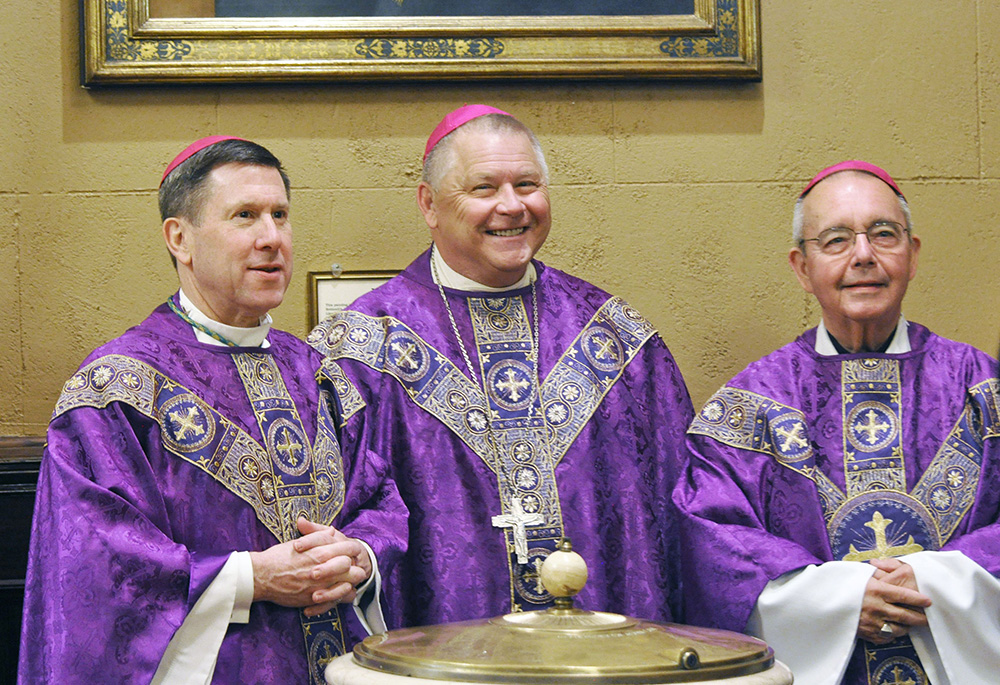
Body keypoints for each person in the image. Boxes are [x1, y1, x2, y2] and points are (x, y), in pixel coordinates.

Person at [18, 136, 407, 685]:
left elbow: (379, 498)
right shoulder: (116, 391)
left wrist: (360, 555)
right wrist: (253, 577)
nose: (271, 238)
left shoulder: (321, 374)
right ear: (181, 238)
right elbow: (97, 566)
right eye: (244, 216)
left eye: (280, 215)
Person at [308, 105, 694, 628]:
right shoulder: (360, 348)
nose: (512, 206)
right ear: (429, 204)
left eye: (528, 184)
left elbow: (680, 518)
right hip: (445, 661)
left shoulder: (617, 339)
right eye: (484, 188)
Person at [677, 160, 1000, 684]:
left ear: (912, 255)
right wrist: (846, 600)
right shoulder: (750, 408)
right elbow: (713, 546)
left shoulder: (984, 390)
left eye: (883, 234)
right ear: (801, 267)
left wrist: (936, 582)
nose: (864, 256)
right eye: (836, 240)